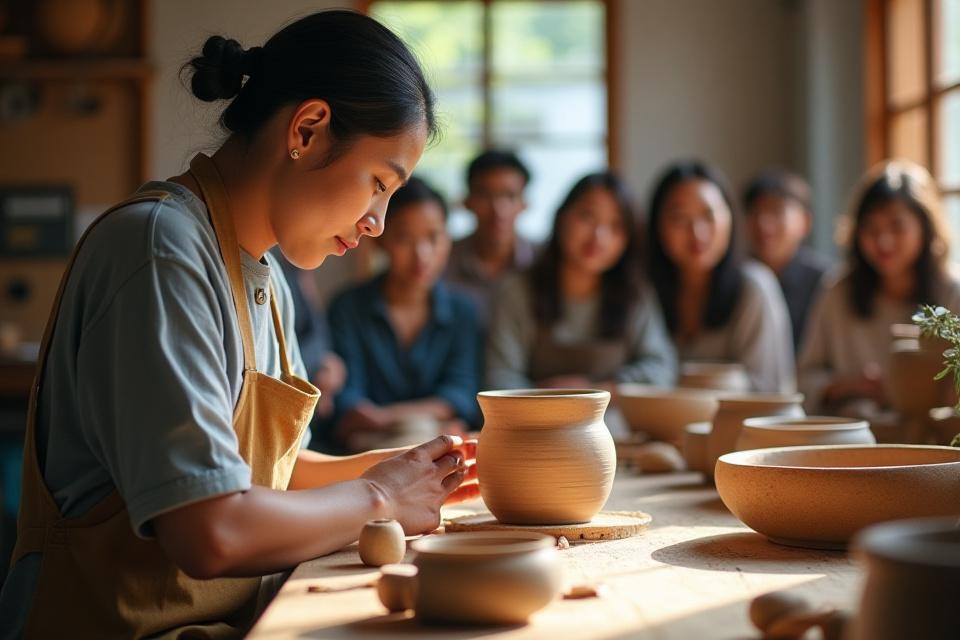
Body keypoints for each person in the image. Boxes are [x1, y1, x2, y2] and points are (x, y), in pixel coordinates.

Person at [0, 12, 478, 638]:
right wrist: (379, 497)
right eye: (378, 184)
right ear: (307, 129)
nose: (377, 223)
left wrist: (423, 469)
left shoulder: (267, 275)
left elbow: (272, 475)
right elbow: (211, 528)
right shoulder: (159, 248)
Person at [486, 171, 676, 397]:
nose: (599, 236)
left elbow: (662, 369)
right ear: (561, 217)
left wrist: (597, 391)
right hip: (534, 418)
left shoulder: (635, 294)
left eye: (615, 226)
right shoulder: (517, 291)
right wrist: (551, 399)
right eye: (587, 216)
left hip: (614, 419)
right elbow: (499, 378)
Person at [328, 177, 481, 452]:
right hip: (368, 447)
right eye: (404, 238)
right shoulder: (348, 307)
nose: (422, 254)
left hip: (426, 437)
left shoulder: (462, 310)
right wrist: (422, 419)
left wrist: (386, 417)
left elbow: (461, 394)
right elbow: (347, 400)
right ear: (380, 239)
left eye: (433, 237)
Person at [798, 159, 960, 414]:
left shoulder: (953, 292)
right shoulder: (838, 291)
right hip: (852, 432)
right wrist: (848, 386)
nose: (883, 241)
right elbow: (804, 378)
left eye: (897, 226)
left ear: (925, 228)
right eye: (871, 228)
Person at [646, 160, 795, 392]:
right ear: (657, 226)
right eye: (679, 218)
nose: (697, 232)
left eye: (709, 216)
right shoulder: (645, 289)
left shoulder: (754, 287)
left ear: (730, 218)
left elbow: (769, 388)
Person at [444, 150, 536, 321]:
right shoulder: (442, 261)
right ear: (467, 201)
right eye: (485, 195)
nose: (498, 209)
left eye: (510, 196)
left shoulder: (543, 260)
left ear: (525, 204)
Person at [744, 170, 832, 350]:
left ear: (805, 222)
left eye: (776, 211)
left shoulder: (826, 282)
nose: (763, 224)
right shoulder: (740, 277)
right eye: (755, 212)